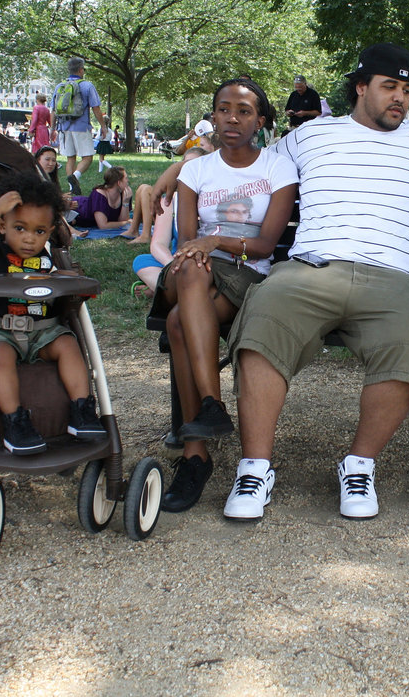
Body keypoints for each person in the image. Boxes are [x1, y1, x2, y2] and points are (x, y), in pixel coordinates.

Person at [157, 43, 409, 523]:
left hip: (396, 279)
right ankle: (255, 468)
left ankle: (359, 465)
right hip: (311, 269)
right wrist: (180, 166)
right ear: (360, 88)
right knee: (265, 321)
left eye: (407, 91)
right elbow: (245, 156)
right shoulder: (312, 135)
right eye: (389, 87)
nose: (400, 99)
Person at [157, 78, 297, 513]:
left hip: (244, 272)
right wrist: (202, 249)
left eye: (243, 111)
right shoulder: (195, 170)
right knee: (192, 271)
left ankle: (196, 455)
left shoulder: (276, 168)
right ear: (213, 115)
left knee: (180, 322)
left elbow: (265, 245)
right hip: (192, 272)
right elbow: (185, 240)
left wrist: (215, 242)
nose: (232, 118)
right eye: (223, 109)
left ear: (260, 120)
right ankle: (211, 405)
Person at [0, 171, 106, 455]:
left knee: (68, 344)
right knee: (0, 356)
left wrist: (69, 281)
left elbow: (58, 283)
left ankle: (83, 409)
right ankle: (15, 420)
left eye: (39, 231)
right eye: (20, 228)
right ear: (2, 226)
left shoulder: (46, 257)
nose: (29, 239)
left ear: (50, 232)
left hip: (43, 331)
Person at [131, 148, 208, 295]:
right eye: (183, 165)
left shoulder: (212, 198)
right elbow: (158, 244)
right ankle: (174, 291)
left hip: (205, 260)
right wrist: (173, 265)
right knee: (141, 261)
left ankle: (162, 291)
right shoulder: (171, 200)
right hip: (173, 260)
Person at [49, 57, 109, 195]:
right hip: (81, 127)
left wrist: (52, 129)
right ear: (81, 70)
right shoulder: (87, 86)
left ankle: (72, 190)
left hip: (64, 128)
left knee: (71, 157)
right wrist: (103, 126)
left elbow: (52, 110)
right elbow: (96, 109)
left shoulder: (60, 87)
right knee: (88, 157)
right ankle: (75, 177)